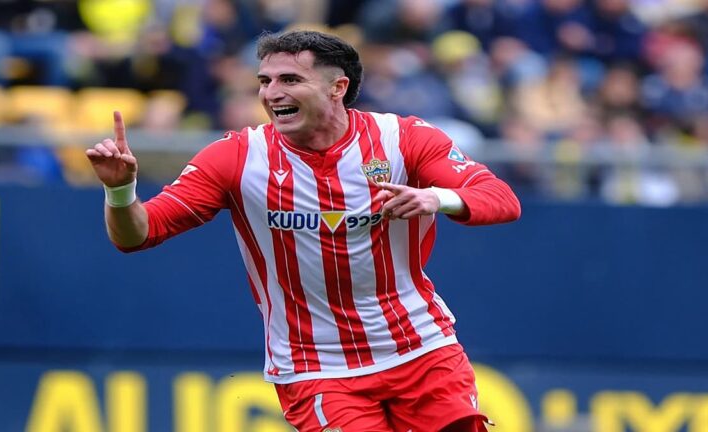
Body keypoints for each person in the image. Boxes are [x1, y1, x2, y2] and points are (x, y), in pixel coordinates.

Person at [86, 30, 521, 432]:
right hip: (317, 367)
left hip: (421, 348)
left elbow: (501, 198)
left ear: (338, 88)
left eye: (290, 80)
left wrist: (437, 199)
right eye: (265, 81)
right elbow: (137, 235)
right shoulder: (236, 157)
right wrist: (121, 191)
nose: (272, 94)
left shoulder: (403, 138)